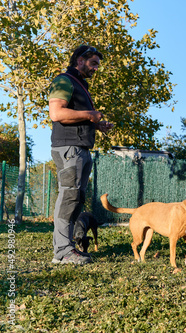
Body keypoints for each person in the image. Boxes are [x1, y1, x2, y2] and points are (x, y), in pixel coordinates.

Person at [49, 45, 113, 265]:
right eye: (93, 63)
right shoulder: (63, 80)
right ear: (79, 61)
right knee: (68, 197)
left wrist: (95, 124)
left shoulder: (80, 85)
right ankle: (62, 252)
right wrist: (90, 114)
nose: (96, 68)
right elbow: (57, 113)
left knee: (77, 199)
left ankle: (67, 248)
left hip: (81, 148)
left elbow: (76, 117)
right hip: (68, 148)